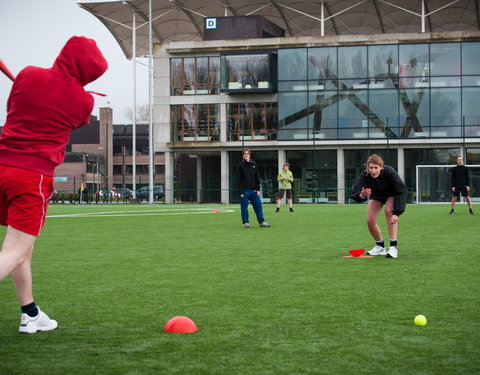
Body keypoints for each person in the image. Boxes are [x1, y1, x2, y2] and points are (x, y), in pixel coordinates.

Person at [0, 36, 108, 333]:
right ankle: (30, 314)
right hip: (30, 176)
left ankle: (30, 313)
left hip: (1, 167)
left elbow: (15, 107)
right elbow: (76, 120)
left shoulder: (27, 74)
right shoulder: (83, 101)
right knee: (14, 251)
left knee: (22, 249)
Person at [350, 154, 407, 258]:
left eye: (376, 168)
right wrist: (362, 195)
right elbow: (354, 193)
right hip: (377, 195)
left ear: (381, 167)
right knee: (370, 220)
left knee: (389, 211)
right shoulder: (365, 175)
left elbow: (401, 190)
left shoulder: (389, 171)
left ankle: (393, 248)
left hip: (392, 193)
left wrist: (397, 213)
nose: (373, 171)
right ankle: (380, 247)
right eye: (371, 168)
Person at [236, 148, 270, 228]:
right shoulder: (240, 165)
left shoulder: (254, 164)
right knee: (244, 207)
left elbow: (257, 177)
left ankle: (262, 222)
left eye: (247, 154)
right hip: (244, 191)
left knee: (258, 206)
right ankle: (245, 222)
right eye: (245, 154)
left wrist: (257, 189)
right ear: (243, 155)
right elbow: (238, 180)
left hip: (254, 191)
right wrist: (241, 192)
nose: (246, 155)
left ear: (249, 155)